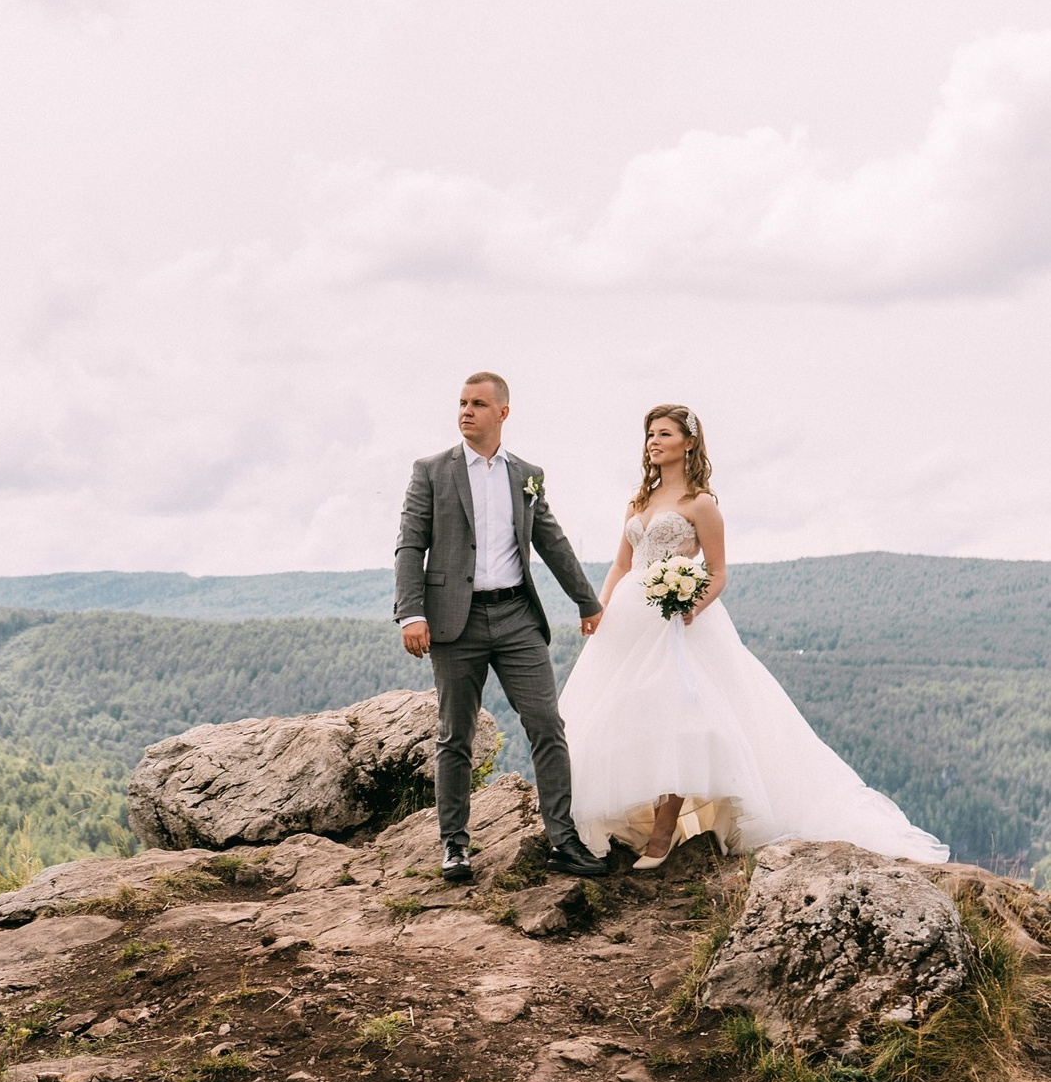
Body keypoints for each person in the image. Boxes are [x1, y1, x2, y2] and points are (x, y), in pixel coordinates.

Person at [561, 404, 948, 868]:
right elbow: (623, 565)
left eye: (664, 433)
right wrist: (601, 609)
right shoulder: (638, 502)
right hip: (629, 621)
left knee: (683, 720)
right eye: (649, 434)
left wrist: (689, 606)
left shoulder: (701, 504)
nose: (653, 442)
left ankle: (664, 833)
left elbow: (718, 572)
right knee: (623, 714)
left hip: (679, 623)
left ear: (688, 442)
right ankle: (626, 820)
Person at [394, 371, 609, 882]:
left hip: (517, 618)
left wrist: (588, 602)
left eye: (478, 404)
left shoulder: (526, 475)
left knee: (547, 725)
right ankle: (455, 846)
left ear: (502, 413)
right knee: (455, 736)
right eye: (462, 403)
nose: (466, 412)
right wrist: (412, 612)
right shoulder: (431, 471)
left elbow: (551, 541)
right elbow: (410, 544)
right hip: (453, 622)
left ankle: (563, 840)